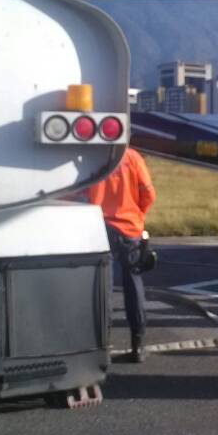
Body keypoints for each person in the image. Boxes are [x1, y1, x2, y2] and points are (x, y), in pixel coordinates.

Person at [84, 147, 156, 363]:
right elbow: (148, 193)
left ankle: (102, 345)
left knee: (102, 288)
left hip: (99, 227)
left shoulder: (90, 156)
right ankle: (138, 345)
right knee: (133, 285)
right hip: (129, 229)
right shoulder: (132, 157)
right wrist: (137, 216)